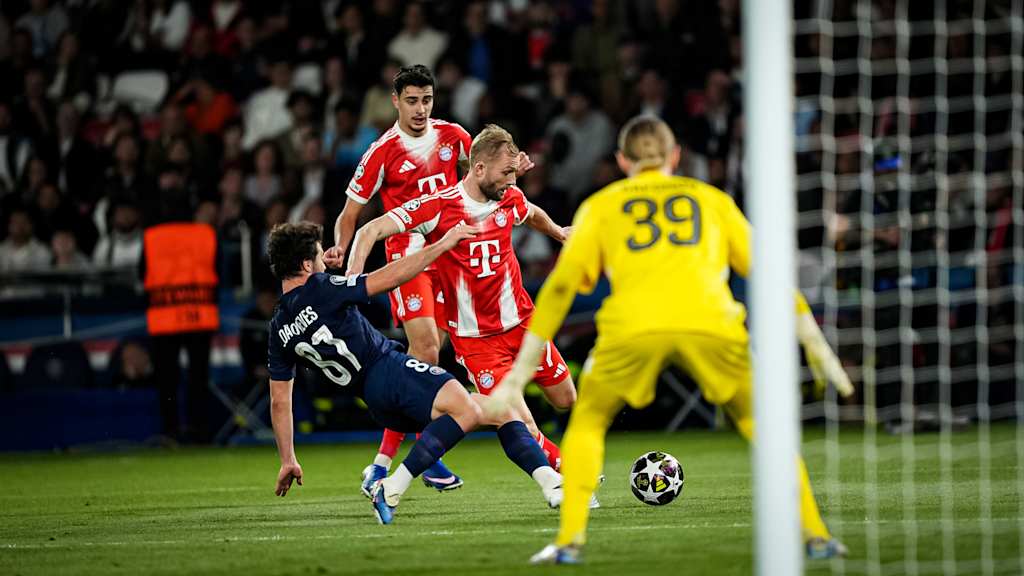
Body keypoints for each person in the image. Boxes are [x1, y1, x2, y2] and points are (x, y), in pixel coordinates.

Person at [486, 116, 853, 564]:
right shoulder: (712, 199)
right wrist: (814, 341)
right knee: (765, 428)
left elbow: (561, 288)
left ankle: (570, 541)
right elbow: (769, 273)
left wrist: (520, 370)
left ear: (623, 161)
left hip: (632, 328)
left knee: (588, 423)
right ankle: (816, 535)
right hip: (713, 324)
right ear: (675, 156)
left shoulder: (602, 205)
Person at [266, 221, 567, 524]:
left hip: (375, 401)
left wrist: (287, 459)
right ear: (306, 264)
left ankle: (552, 485)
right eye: (318, 257)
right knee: (466, 410)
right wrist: (441, 245)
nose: (324, 262)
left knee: (499, 410)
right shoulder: (321, 288)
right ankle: (390, 487)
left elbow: (280, 401)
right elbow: (386, 278)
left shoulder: (278, 328)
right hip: (390, 371)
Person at [346, 125, 578, 488]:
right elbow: (370, 229)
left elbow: (529, 212)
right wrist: (353, 277)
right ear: (479, 169)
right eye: (505, 173)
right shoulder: (440, 206)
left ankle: (454, 417)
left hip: (523, 323)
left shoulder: (508, 196)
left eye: (513, 174)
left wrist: (559, 232)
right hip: (476, 340)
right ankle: (562, 476)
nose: (510, 182)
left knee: (566, 398)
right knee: (519, 419)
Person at [323, 64, 480, 493]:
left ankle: (381, 462)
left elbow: (480, 178)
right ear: (395, 101)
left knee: (425, 358)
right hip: (406, 260)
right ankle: (427, 461)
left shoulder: (454, 137)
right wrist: (341, 248)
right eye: (411, 101)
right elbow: (350, 215)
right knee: (426, 347)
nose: (420, 109)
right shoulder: (382, 151)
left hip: (449, 258)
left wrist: (512, 166)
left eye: (426, 100)